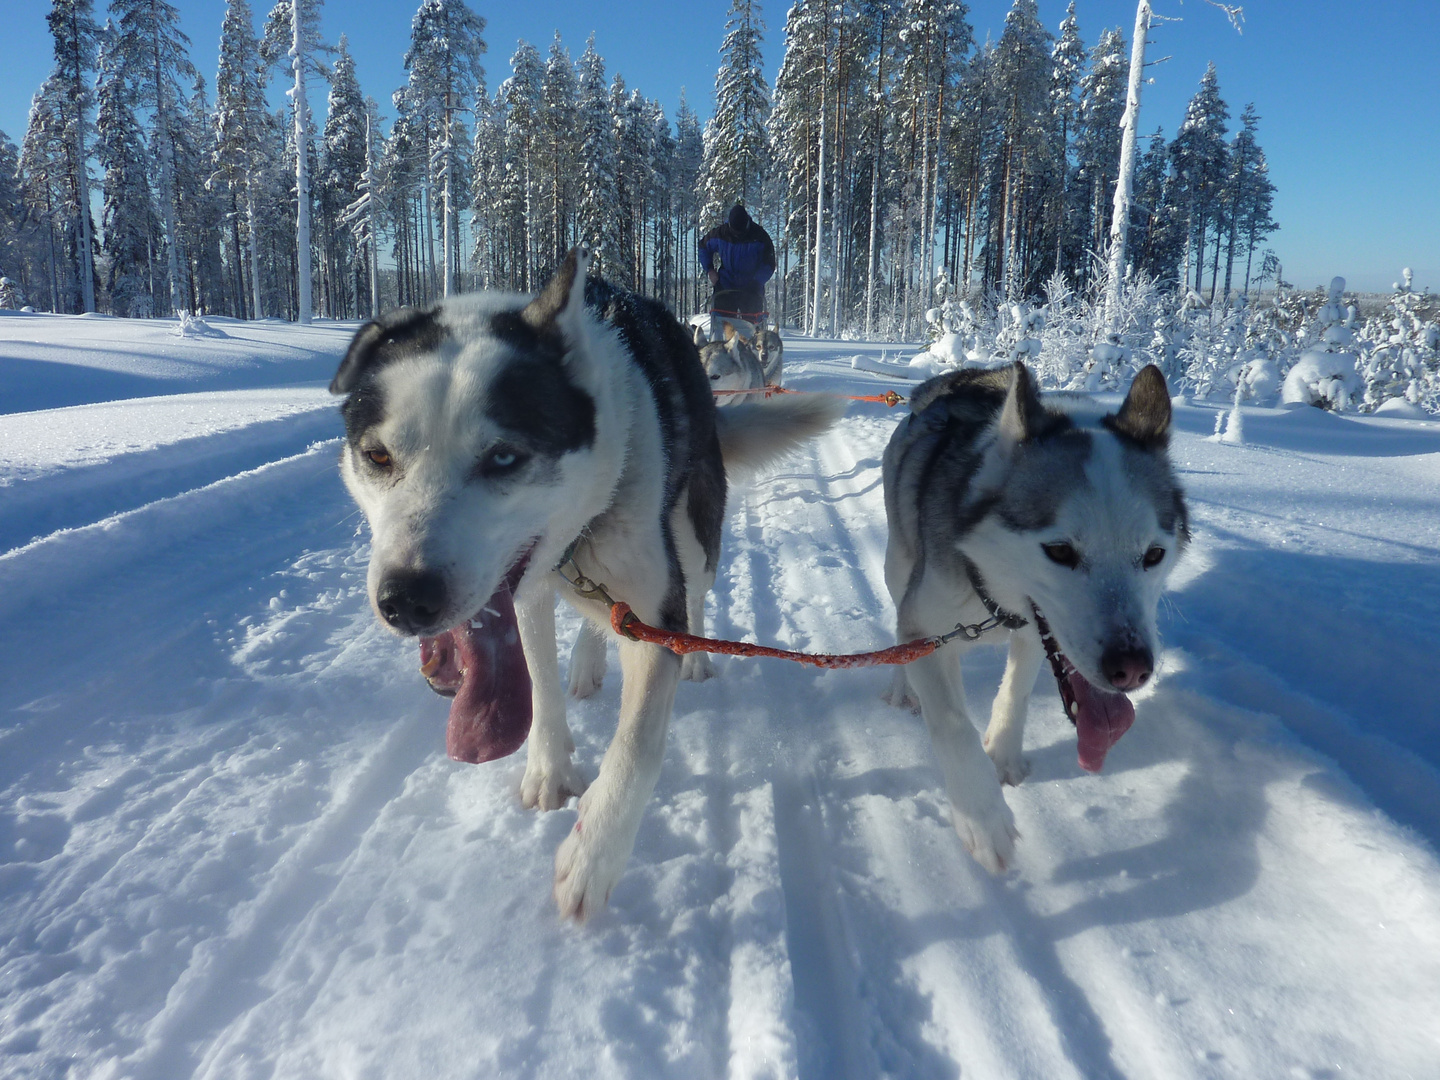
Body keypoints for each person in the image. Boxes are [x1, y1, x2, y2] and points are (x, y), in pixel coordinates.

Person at [698, 204, 776, 325]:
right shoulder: (721, 233)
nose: (738, 235)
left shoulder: (760, 236)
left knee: (751, 327)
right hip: (725, 285)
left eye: (741, 232)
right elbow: (703, 247)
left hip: (751, 287)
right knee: (723, 326)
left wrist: (757, 281)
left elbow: (769, 264)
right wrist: (709, 269)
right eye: (735, 232)